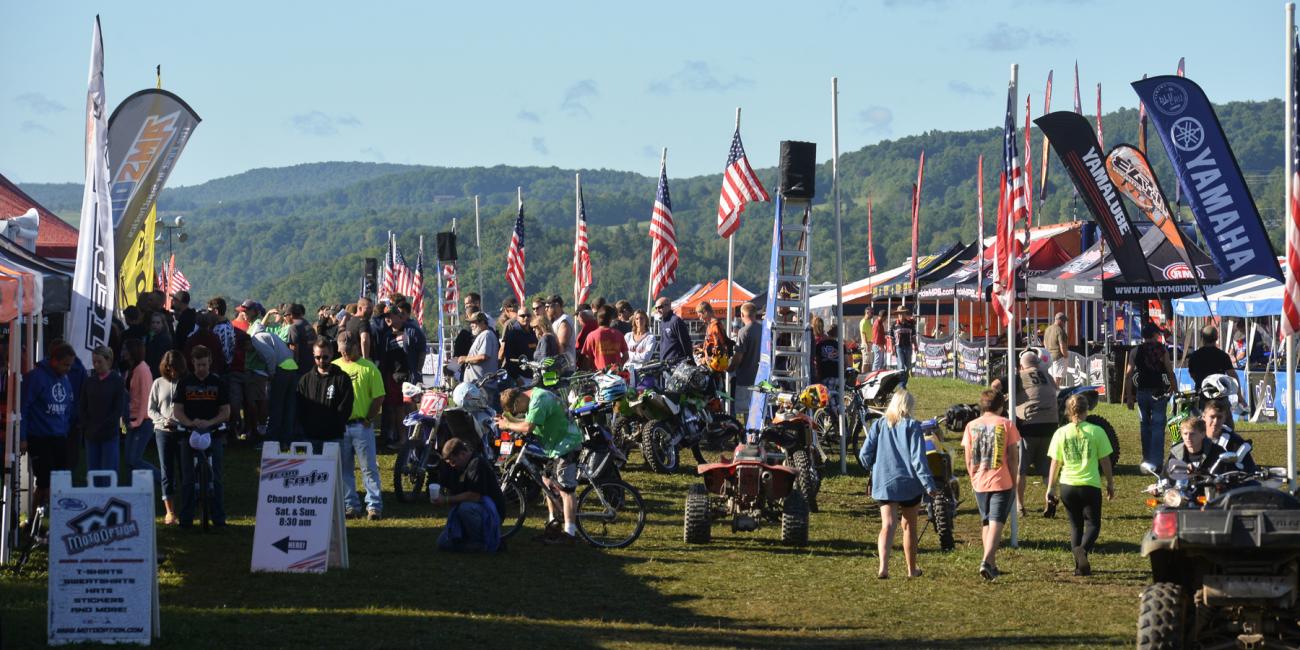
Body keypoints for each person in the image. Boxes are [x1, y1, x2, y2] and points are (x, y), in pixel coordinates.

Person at [858, 389, 940, 579]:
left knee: (887, 524)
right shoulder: (913, 426)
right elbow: (918, 460)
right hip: (909, 483)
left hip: (884, 482)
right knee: (909, 525)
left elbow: (864, 455)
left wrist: (874, 468)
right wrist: (929, 485)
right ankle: (911, 570)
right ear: (908, 406)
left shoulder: (879, 425)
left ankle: (883, 567)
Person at [496, 386, 584, 545]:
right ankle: (553, 528)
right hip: (554, 447)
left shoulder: (539, 400)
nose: (518, 413)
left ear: (518, 401)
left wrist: (508, 425)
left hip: (567, 444)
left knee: (566, 489)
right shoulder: (532, 397)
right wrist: (509, 420)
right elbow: (528, 421)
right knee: (547, 484)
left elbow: (528, 426)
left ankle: (570, 533)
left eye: (516, 410)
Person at [1044, 394, 1115, 577]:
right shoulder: (1096, 431)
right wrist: (1110, 483)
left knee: (1075, 526)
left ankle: (1079, 567)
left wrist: (1050, 487)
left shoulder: (1061, 433)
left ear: (1068, 411)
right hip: (1089, 484)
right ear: (1087, 409)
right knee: (1093, 524)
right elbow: (1105, 460)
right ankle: (1082, 550)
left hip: (1067, 484)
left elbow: (1055, 462)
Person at [962, 389, 1020, 580]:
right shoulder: (1006, 424)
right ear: (1001, 406)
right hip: (1001, 480)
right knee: (997, 522)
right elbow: (1012, 457)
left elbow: (968, 457)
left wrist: (972, 477)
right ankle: (987, 560)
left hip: (979, 480)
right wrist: (1014, 480)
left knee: (986, 521)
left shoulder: (971, 426)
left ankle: (991, 564)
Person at [173, 345, 231, 528]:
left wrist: (210, 422)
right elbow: (177, 410)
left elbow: (226, 411)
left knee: (217, 476)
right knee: (188, 477)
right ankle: (186, 519)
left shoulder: (218, 382)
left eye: (204, 365)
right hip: (189, 432)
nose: (201, 369)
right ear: (193, 363)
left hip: (213, 432)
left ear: (210, 363)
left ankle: (219, 518)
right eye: (198, 365)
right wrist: (190, 422)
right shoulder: (184, 383)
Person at [332, 331, 386, 520]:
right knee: (345, 468)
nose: (345, 354)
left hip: (361, 425)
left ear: (356, 346)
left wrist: (369, 417)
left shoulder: (369, 368)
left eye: (347, 350)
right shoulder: (334, 367)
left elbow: (379, 396)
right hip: (340, 426)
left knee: (368, 467)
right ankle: (351, 506)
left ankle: (374, 506)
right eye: (342, 351)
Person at [20, 342, 77, 513]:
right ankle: (33, 518)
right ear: (54, 361)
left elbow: (68, 405)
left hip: (58, 435)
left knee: (59, 479)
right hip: (39, 436)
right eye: (66, 364)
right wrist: (23, 437)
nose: (68, 369)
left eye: (70, 365)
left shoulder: (65, 379)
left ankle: (54, 516)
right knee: (44, 480)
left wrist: (64, 428)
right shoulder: (36, 377)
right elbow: (24, 407)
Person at [433, 437, 504, 553]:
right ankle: (468, 542)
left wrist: (446, 500)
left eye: (453, 461)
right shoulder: (456, 468)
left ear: (462, 454)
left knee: (465, 508)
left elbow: (474, 496)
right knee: (443, 543)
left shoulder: (477, 464)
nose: (452, 465)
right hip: (473, 511)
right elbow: (449, 488)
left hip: (490, 512)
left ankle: (481, 542)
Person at [1124, 322, 1177, 468]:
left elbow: (1128, 375)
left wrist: (1129, 396)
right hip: (1158, 392)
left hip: (1142, 392)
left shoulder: (1135, 351)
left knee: (1144, 425)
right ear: (1154, 335)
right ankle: (1157, 461)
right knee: (1158, 426)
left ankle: (1146, 459)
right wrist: (1174, 388)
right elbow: (1169, 371)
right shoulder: (1162, 350)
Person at [1013, 350, 1059, 516]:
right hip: (1051, 425)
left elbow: (997, 387)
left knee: (1021, 469)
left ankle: (1019, 506)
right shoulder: (1047, 376)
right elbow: (1056, 391)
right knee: (1047, 469)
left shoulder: (1019, 377)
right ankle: (1050, 497)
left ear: (1021, 366)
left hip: (1029, 426)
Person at [148, 351, 187, 525]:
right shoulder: (158, 383)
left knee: (185, 469)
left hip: (183, 431)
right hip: (163, 432)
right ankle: (169, 511)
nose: (173, 373)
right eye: (169, 369)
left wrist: (182, 421)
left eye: (176, 369)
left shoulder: (186, 383)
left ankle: (187, 507)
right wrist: (163, 421)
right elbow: (151, 409)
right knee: (166, 471)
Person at [296, 339, 354, 453]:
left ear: (332, 355)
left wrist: (334, 426)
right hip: (310, 437)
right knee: (311, 470)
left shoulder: (342, 378)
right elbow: (299, 406)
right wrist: (307, 427)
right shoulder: (305, 380)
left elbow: (346, 407)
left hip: (333, 437)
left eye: (325, 357)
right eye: (317, 357)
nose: (321, 360)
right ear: (313, 356)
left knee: (334, 470)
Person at [80, 346, 126, 474]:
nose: (96, 365)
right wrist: (87, 425)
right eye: (94, 362)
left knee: (108, 471)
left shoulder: (117, 381)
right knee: (93, 471)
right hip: (91, 434)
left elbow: (118, 409)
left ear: (109, 361)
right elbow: (83, 405)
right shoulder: (89, 381)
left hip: (109, 434)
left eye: (99, 361)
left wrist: (103, 426)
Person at [123, 339, 158, 485]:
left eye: (125, 349)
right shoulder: (131, 369)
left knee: (134, 459)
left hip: (142, 421)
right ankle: (134, 489)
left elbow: (145, 397)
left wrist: (137, 422)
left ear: (132, 352)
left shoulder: (142, 370)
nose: (123, 352)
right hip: (132, 419)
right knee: (129, 460)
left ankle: (163, 479)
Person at [1202, 398, 1258, 472]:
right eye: (1212, 417)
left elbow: (1250, 468)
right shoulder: (1192, 435)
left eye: (1219, 417)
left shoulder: (1235, 441)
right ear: (1203, 417)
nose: (1215, 421)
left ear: (1225, 418)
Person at [458, 311, 501, 405]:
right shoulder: (484, 335)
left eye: (474, 322)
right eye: (470, 323)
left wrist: (465, 359)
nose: (471, 325)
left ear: (482, 322)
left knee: (484, 415)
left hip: (484, 387)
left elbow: (484, 356)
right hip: (479, 386)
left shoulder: (486, 335)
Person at [729, 303, 761, 414]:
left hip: (745, 380)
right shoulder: (763, 330)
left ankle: (742, 431)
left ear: (742, 314)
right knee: (757, 412)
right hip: (760, 378)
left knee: (742, 413)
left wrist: (730, 368)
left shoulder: (743, 331)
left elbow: (738, 356)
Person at [498, 299, 537, 387]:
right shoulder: (512, 334)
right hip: (520, 378)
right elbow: (509, 358)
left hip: (533, 376)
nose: (526, 318)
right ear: (517, 318)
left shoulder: (534, 331)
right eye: (522, 316)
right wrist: (517, 378)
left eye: (528, 315)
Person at [1187, 325, 1235, 392]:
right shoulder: (1223, 356)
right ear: (1217, 338)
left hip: (1201, 393)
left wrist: (1200, 382)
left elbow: (1191, 373)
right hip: (1220, 395)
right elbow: (1233, 376)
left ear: (1202, 338)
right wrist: (1239, 396)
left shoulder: (1194, 355)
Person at [582, 305, 629, 371]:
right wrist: (618, 366)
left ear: (597, 319)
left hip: (599, 375)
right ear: (610, 320)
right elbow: (626, 355)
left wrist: (591, 370)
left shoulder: (591, 336)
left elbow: (587, 359)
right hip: (616, 375)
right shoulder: (618, 334)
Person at [654, 297, 693, 366]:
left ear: (668, 306)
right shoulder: (663, 322)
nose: (657, 310)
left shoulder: (676, 321)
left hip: (676, 364)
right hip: (665, 364)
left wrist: (690, 361)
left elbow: (686, 343)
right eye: (656, 308)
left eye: (660, 307)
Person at [546, 295, 578, 369]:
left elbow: (561, 346)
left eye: (548, 307)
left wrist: (558, 367)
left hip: (565, 368)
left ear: (557, 306)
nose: (546, 309)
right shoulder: (556, 321)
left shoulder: (564, 321)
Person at [891, 307, 916, 386]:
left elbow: (913, 336)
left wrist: (915, 345)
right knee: (901, 366)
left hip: (908, 347)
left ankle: (904, 383)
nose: (901, 315)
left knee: (908, 367)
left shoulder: (910, 324)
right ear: (898, 314)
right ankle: (901, 385)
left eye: (903, 313)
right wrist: (892, 348)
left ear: (905, 314)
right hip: (899, 347)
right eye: (900, 313)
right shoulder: (894, 324)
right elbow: (891, 338)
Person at [144, 311, 172, 378]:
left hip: (158, 371)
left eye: (158, 323)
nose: (155, 325)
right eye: (153, 322)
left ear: (163, 324)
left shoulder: (164, 339)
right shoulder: (150, 336)